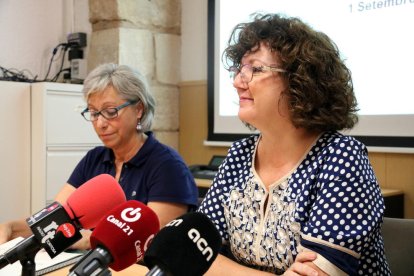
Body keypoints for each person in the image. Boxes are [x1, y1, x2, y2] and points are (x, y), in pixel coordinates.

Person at [198, 13, 391, 275]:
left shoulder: (340, 157)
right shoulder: (239, 154)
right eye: (238, 70)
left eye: (255, 69)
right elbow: (197, 252)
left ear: (301, 82)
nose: (237, 82)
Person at [0, 63, 199, 249]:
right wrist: (12, 228)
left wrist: (75, 238)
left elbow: (147, 242)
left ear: (139, 109)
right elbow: (54, 219)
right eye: (94, 113)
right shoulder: (94, 159)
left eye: (110, 112)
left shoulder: (168, 166)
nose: (100, 123)